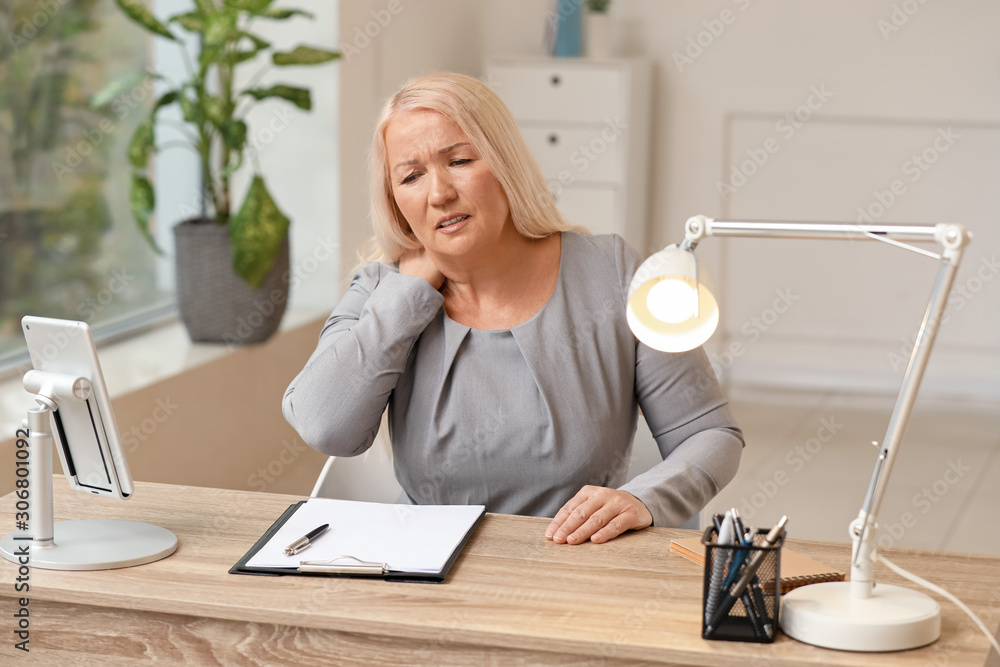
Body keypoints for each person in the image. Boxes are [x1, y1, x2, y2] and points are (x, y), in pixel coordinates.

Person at [283, 72, 743, 545]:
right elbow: (325, 427)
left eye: (459, 160)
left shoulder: (614, 272)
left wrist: (645, 498)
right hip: (425, 569)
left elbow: (710, 434)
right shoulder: (380, 291)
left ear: (504, 163)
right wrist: (410, 293)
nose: (439, 193)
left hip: (574, 565)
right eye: (411, 176)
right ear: (396, 202)